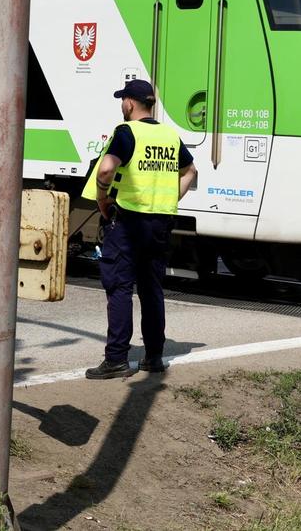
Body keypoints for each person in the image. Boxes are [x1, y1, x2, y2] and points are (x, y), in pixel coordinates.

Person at [81, 79, 197, 379]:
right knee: (151, 289)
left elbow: (106, 169)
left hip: (128, 221)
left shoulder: (126, 132)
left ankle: (117, 358)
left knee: (120, 287)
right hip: (160, 223)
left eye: (123, 101)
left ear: (130, 103)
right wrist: (170, 198)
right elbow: (191, 172)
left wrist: (103, 196)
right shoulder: (170, 136)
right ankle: (154, 357)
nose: (122, 105)